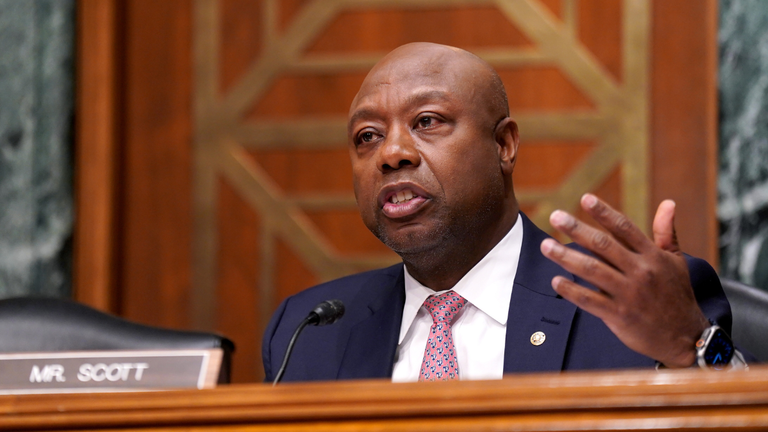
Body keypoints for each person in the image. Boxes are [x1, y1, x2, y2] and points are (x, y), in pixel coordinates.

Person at [262, 42, 740, 383]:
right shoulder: (307, 330)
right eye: (367, 136)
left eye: (427, 121)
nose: (391, 154)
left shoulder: (631, 300)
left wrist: (692, 348)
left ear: (504, 145)